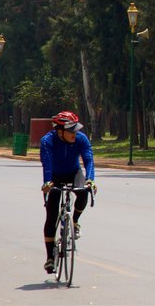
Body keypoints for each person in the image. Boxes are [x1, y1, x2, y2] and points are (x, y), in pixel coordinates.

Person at [39, 111, 96, 274]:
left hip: (73, 172)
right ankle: (50, 258)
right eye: (71, 130)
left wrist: (90, 180)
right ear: (59, 131)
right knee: (51, 214)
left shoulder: (81, 139)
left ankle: (75, 221)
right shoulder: (47, 141)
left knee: (84, 192)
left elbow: (89, 159)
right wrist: (47, 183)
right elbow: (47, 163)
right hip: (55, 176)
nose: (74, 134)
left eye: (76, 130)